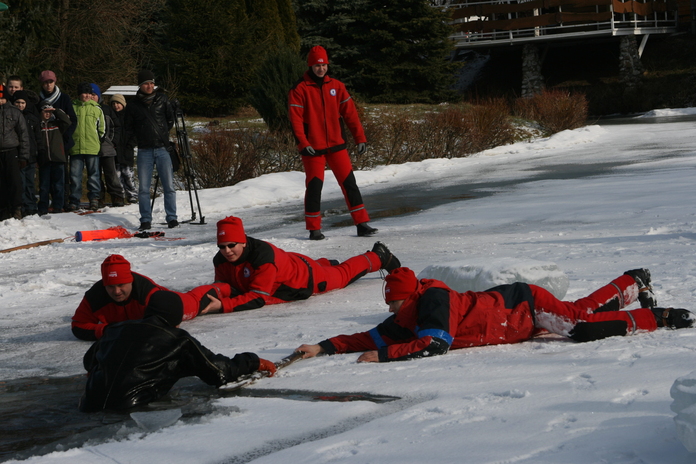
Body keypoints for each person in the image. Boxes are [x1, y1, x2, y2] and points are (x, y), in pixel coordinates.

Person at [296, 267, 695, 363]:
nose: (390, 310)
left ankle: (659, 317)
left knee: (580, 328)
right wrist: (323, 347)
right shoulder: (406, 316)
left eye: (394, 303)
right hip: (518, 316)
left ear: (408, 297)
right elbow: (372, 336)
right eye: (389, 305)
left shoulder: (432, 303)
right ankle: (631, 281)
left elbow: (436, 344)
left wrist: (384, 357)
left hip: (521, 304)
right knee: (579, 314)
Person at [79, 290, 276, 412]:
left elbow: (89, 362)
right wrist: (252, 361)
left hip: (87, 405)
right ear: (175, 317)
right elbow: (219, 372)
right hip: (132, 410)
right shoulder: (178, 339)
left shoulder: (115, 329)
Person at [200, 216, 400, 314]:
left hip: (305, 278)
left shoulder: (262, 257)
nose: (226, 251)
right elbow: (226, 285)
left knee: (342, 274)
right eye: (222, 246)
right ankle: (325, 264)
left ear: (242, 241)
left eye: (231, 245)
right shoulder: (221, 259)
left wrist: (223, 305)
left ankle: (378, 256)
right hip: (290, 263)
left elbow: (258, 298)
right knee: (324, 267)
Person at [288, 45, 376, 241]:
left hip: (337, 146)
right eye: (317, 65)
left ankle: (362, 224)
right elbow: (295, 120)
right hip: (313, 150)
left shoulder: (337, 86)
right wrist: (303, 143)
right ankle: (314, 229)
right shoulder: (299, 89)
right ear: (311, 66)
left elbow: (351, 115)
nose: (321, 69)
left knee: (350, 184)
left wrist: (360, 137)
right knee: (314, 187)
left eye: (324, 65)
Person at [71, 254, 235, 341]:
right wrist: (107, 331)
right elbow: (78, 326)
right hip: (137, 318)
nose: (117, 291)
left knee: (196, 300)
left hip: (174, 300)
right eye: (111, 287)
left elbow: (167, 327)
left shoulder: (148, 294)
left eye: (121, 285)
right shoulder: (95, 295)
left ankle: (228, 286)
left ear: (131, 281)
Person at [123, 69, 177, 230]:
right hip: (144, 150)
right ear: (140, 85)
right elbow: (128, 127)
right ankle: (145, 219)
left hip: (162, 148)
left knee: (169, 186)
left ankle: (172, 218)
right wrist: (138, 139)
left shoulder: (163, 99)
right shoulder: (132, 105)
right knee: (144, 189)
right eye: (146, 83)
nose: (150, 86)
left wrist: (162, 135)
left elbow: (170, 119)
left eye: (152, 83)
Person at [67, 82, 104, 211]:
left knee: (94, 175)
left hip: (92, 147)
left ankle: (94, 199)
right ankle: (74, 200)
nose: (87, 95)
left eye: (90, 93)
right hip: (75, 147)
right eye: (85, 93)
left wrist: (98, 142)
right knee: (75, 176)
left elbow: (102, 129)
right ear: (79, 94)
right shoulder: (72, 107)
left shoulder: (97, 108)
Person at [90, 83, 124, 207]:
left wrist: (113, 141)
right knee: (95, 174)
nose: (92, 97)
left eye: (94, 94)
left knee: (111, 174)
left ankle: (117, 196)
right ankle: (99, 197)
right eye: (90, 94)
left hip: (107, 147)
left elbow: (116, 126)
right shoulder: (86, 109)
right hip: (91, 148)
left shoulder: (107, 109)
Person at [0, 84, 30, 221]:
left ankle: (17, 208)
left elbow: (23, 135)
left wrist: (23, 156)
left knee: (15, 182)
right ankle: (3, 210)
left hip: (12, 151)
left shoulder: (14, 112)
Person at [36, 100, 70, 214]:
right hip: (44, 160)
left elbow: (67, 121)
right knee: (44, 186)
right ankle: (43, 207)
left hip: (58, 159)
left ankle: (58, 206)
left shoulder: (56, 124)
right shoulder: (38, 125)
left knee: (58, 185)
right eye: (45, 111)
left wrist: (56, 110)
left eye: (49, 112)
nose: (47, 114)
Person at [12, 90, 40, 216]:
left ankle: (31, 205)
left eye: (23, 103)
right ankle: (22, 206)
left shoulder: (32, 118)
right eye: (17, 102)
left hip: (31, 155)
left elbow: (38, 137)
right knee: (21, 183)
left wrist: (40, 153)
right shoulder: (11, 117)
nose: (20, 105)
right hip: (18, 156)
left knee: (30, 182)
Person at [110, 94, 137, 204]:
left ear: (123, 104)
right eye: (114, 104)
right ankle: (120, 195)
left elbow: (135, 133)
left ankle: (132, 195)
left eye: (118, 103)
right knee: (117, 175)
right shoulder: (111, 117)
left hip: (127, 150)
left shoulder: (129, 116)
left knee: (128, 174)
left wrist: (131, 144)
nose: (116, 106)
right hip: (115, 151)